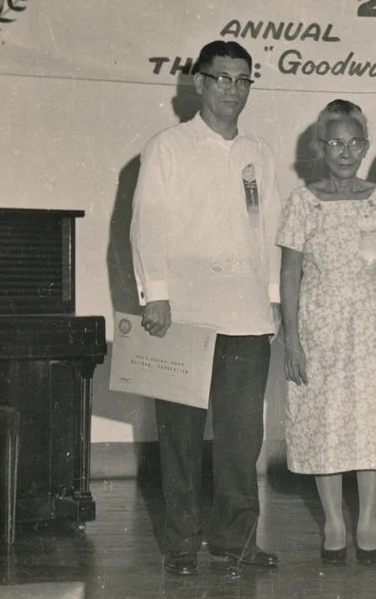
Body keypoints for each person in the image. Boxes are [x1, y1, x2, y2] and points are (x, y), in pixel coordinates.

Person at [130, 40, 281, 576]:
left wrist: (272, 300)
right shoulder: (168, 147)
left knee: (242, 440)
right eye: (222, 79)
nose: (233, 90)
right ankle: (180, 543)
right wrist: (158, 295)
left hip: (245, 315)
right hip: (185, 316)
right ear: (198, 82)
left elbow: (269, 232)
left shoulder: (259, 152)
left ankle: (235, 540)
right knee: (180, 439)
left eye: (243, 80)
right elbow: (148, 223)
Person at [277, 100, 376, 565]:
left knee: (373, 420)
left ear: (366, 147)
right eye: (336, 142)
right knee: (324, 422)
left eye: (355, 143)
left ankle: (368, 520)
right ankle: (334, 521)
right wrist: (292, 339)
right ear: (319, 147)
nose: (346, 152)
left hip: (373, 328)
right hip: (319, 328)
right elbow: (289, 276)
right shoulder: (302, 203)